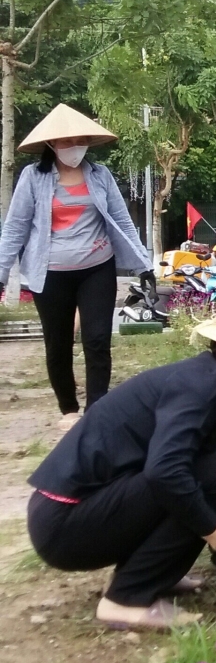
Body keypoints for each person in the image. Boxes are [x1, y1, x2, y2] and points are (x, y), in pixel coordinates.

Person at [25, 289, 216, 629]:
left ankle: (152, 575)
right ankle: (125, 600)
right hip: (65, 523)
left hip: (94, 508)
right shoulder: (201, 388)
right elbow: (165, 472)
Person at [0, 104, 155, 431]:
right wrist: (1, 273)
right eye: (68, 141)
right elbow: (15, 228)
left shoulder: (100, 176)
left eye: (81, 140)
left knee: (97, 340)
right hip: (50, 273)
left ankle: (96, 410)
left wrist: (144, 264)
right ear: (52, 144)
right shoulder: (33, 177)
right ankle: (69, 409)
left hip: (97, 268)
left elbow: (123, 222)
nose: (75, 146)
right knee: (58, 344)